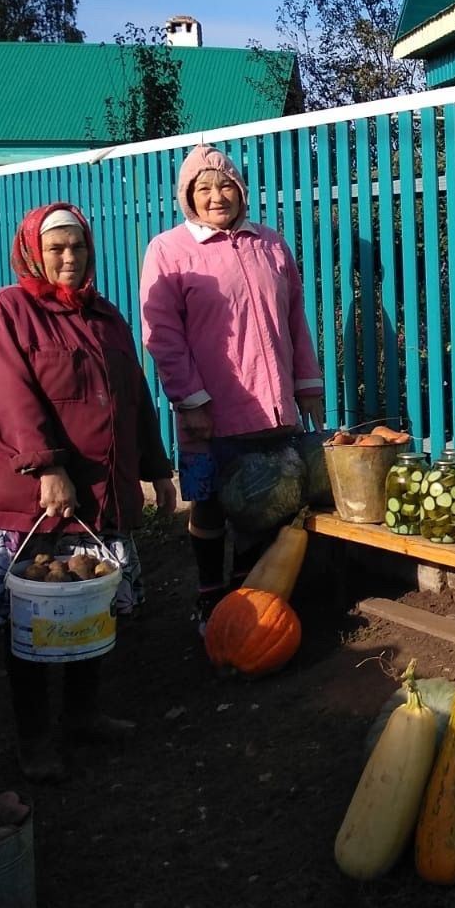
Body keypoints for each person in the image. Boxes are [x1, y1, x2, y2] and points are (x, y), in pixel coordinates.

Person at [0, 203, 177, 783]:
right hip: (33, 498)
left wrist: (156, 468)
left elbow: (133, 397)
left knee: (89, 606)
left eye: (78, 247)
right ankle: (34, 741)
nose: (68, 257)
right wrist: (44, 468)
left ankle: (84, 715)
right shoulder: (8, 312)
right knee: (32, 617)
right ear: (33, 252)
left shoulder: (105, 316)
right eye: (57, 247)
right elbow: (8, 396)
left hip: (99, 495)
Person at [139, 144, 324, 633]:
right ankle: (208, 595)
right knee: (210, 501)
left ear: (241, 191)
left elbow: (295, 321)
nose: (216, 196)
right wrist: (190, 398)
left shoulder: (270, 244)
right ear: (188, 197)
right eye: (203, 188)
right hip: (211, 407)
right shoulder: (169, 250)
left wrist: (308, 384)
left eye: (225, 186)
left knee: (263, 499)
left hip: (271, 403)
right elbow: (162, 333)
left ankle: (248, 596)